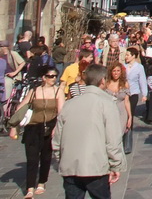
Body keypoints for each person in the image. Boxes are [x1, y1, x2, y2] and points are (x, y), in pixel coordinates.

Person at [52, 63, 126, 199]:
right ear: (103, 80)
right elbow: (113, 140)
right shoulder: (107, 104)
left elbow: (57, 139)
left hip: (70, 167)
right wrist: (116, 165)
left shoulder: (69, 105)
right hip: (96, 168)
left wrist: (61, 159)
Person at [20, 62, 63, 198]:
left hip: (50, 127)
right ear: (43, 77)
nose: (53, 79)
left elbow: (61, 113)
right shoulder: (34, 91)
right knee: (32, 159)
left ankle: (42, 182)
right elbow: (21, 107)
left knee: (45, 158)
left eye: (55, 76)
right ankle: (30, 187)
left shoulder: (58, 91)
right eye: (50, 76)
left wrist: (56, 128)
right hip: (33, 128)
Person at [104, 63, 133, 155]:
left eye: (118, 71)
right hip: (109, 111)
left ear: (121, 72)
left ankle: (116, 153)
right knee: (109, 134)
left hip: (121, 112)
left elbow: (127, 101)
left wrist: (130, 116)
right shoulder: (106, 84)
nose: (116, 73)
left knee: (119, 134)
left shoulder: (125, 84)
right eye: (114, 71)